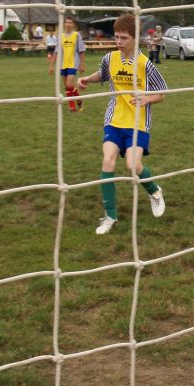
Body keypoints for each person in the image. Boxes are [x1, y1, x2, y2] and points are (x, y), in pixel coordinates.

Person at [78, 14, 168, 232]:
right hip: (114, 119)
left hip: (138, 122)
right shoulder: (110, 58)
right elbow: (103, 74)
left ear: (135, 39)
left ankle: (155, 192)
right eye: (116, 37)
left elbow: (162, 93)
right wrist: (87, 79)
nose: (118, 41)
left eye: (124, 38)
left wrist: (146, 99)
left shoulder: (145, 64)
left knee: (132, 166)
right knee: (107, 161)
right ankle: (110, 216)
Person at [52, 15, 86, 111]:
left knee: (69, 85)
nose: (68, 24)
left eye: (70, 23)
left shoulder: (77, 35)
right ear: (64, 24)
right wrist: (51, 66)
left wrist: (82, 64)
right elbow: (56, 51)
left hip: (73, 63)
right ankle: (73, 106)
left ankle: (78, 100)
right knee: (67, 87)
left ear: (73, 25)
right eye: (67, 22)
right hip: (63, 64)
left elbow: (82, 50)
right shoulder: (60, 36)